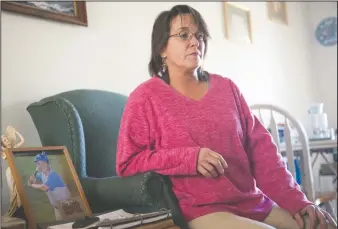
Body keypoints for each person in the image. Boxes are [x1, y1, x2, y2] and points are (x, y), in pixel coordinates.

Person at [116, 4, 337, 229]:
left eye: (200, 36)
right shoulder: (145, 97)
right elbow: (128, 163)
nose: (195, 42)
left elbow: (263, 154)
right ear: (162, 47)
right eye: (184, 35)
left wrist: (298, 202)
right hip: (201, 210)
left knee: (322, 225)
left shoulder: (227, 88)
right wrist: (190, 159)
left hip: (253, 203)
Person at [27, 152, 71, 220]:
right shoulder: (42, 174)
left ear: (47, 163)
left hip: (67, 206)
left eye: (40, 164)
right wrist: (32, 178)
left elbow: (44, 188)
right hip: (57, 207)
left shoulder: (53, 175)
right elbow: (32, 181)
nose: (39, 166)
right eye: (37, 164)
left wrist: (32, 185)